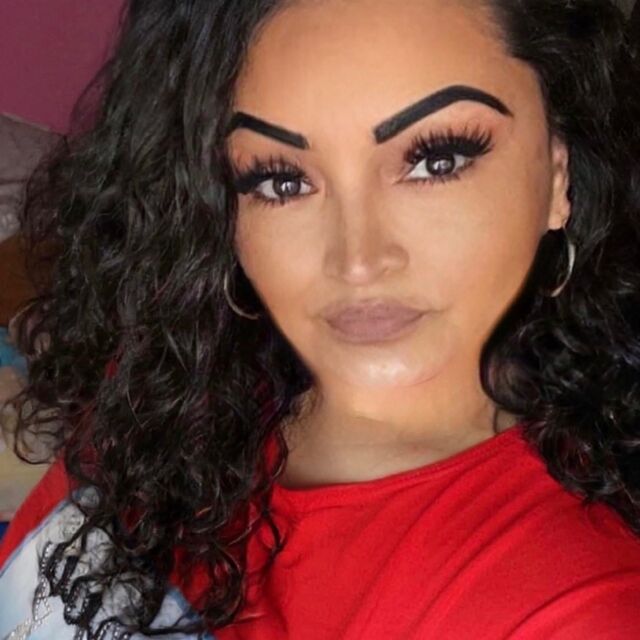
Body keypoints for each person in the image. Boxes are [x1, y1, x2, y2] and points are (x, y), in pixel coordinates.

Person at [1, 0, 640, 637]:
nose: (358, 261)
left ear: (558, 175)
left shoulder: (574, 610)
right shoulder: (165, 385)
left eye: (436, 160)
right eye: (281, 181)